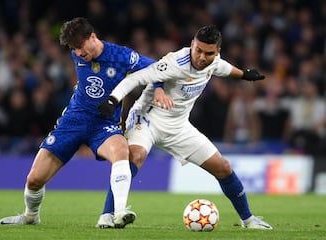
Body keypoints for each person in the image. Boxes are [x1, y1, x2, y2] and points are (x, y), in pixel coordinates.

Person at [98, 25, 273, 230]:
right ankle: (108, 215)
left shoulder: (213, 62)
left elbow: (224, 69)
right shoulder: (174, 62)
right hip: (147, 119)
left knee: (223, 168)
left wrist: (244, 74)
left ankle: (249, 220)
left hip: (179, 126)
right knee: (135, 156)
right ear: (192, 44)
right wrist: (113, 99)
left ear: (217, 52)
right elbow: (136, 78)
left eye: (208, 53)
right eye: (198, 50)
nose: (201, 57)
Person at [0, 17, 155, 228]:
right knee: (34, 179)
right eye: (74, 48)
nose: (78, 52)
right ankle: (30, 216)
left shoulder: (122, 56)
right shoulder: (77, 54)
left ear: (93, 37)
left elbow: (157, 68)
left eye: (80, 46)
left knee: (121, 152)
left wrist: (160, 88)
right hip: (73, 121)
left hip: (103, 124)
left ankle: (118, 212)